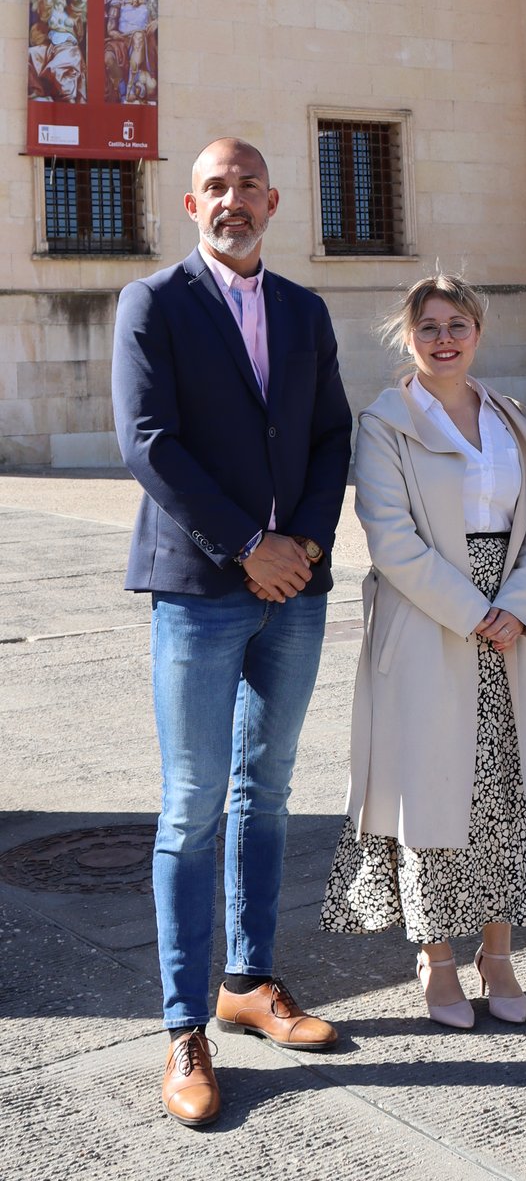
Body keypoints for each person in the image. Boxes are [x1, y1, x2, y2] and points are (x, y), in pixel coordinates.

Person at [112, 138, 352, 1127]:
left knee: (269, 788)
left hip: (294, 587)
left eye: (249, 185)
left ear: (275, 199)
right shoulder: (155, 302)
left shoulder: (304, 307)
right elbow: (149, 441)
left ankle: (248, 981)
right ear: (190, 200)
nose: (234, 199)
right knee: (191, 801)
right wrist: (247, 542)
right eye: (217, 185)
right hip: (201, 588)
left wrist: (299, 542)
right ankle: (183, 1026)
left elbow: (332, 433)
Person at [320, 272, 526, 1027]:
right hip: (430, 619)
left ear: (477, 332)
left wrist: (516, 606)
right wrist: (474, 611)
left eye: (457, 324)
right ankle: (436, 959)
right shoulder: (386, 421)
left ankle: (498, 954)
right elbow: (391, 540)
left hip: (506, 624)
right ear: (409, 336)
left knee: (504, 793)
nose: (444, 339)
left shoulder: (510, 417)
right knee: (430, 793)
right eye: (428, 326)